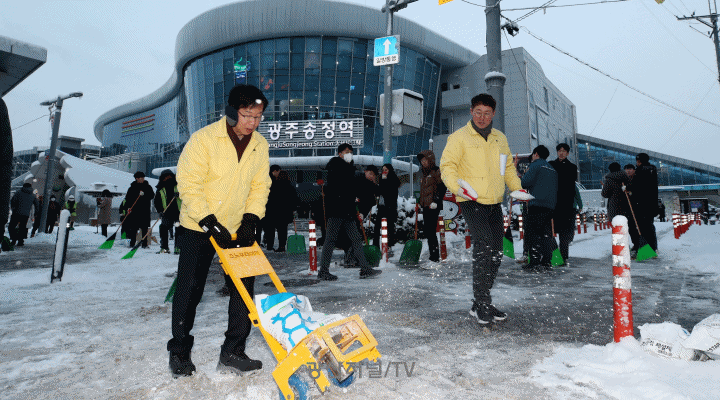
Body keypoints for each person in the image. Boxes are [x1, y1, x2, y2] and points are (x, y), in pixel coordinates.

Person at [167, 84, 272, 378]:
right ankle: (179, 351)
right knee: (189, 289)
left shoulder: (259, 145)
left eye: (258, 116)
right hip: (198, 226)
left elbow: (260, 186)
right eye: (247, 115)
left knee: (243, 290)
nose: (252, 122)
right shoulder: (204, 139)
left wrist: (252, 217)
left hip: (237, 229)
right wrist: (209, 221)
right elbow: (189, 184)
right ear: (231, 112)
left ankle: (233, 351)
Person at [440, 93, 527, 325]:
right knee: (484, 245)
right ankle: (483, 301)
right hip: (470, 199)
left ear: (493, 114)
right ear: (471, 112)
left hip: (494, 201)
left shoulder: (500, 138)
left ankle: (480, 301)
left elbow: (508, 168)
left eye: (487, 113)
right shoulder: (458, 138)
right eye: (478, 112)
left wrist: (517, 188)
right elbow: (447, 166)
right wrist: (457, 186)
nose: (482, 117)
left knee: (497, 251)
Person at [317, 143, 382, 281]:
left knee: (356, 239)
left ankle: (365, 269)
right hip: (337, 210)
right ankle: (323, 271)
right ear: (340, 153)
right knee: (330, 240)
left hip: (348, 211)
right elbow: (340, 187)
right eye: (346, 151)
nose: (349, 154)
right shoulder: (336, 167)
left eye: (351, 152)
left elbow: (353, 186)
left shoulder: (349, 168)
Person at [521, 145, 558, 271]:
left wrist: (525, 174)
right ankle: (546, 261)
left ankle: (534, 262)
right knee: (546, 234)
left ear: (536, 154)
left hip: (536, 204)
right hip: (549, 206)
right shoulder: (552, 169)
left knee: (533, 234)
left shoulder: (535, 165)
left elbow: (525, 183)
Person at [548, 143, 578, 265]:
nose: (561, 153)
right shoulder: (551, 164)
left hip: (566, 204)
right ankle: (554, 255)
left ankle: (564, 257)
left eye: (564, 151)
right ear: (557, 152)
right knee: (550, 230)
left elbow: (570, 184)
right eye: (559, 150)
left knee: (564, 233)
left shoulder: (572, 167)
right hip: (553, 204)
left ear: (568, 153)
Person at [417, 150, 446, 263]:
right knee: (428, 231)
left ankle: (434, 257)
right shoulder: (424, 173)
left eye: (425, 160)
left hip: (434, 205)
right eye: (421, 160)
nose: (423, 162)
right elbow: (424, 191)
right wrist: (419, 202)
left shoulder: (436, 171)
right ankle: (432, 255)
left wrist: (436, 201)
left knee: (431, 231)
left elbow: (442, 187)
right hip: (426, 205)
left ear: (430, 159)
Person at [632, 152, 659, 253]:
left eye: (637, 161)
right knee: (649, 226)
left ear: (639, 161)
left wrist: (629, 188)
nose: (636, 163)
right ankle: (653, 247)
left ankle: (646, 250)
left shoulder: (641, 170)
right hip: (651, 203)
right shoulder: (652, 169)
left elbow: (637, 187)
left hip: (642, 204)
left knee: (643, 227)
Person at [265, 170, 297, 252]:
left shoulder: (273, 186)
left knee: (270, 229)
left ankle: (269, 245)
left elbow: (268, 198)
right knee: (282, 230)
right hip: (285, 212)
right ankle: (282, 246)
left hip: (273, 211)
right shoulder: (290, 187)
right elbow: (294, 200)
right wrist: (293, 209)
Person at [124, 171, 154, 248]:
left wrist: (144, 194)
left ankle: (144, 244)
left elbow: (152, 195)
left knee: (144, 228)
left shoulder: (148, 187)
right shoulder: (132, 188)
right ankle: (132, 243)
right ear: (136, 178)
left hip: (145, 211)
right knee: (134, 228)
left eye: (143, 177)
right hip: (135, 211)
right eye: (141, 178)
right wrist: (128, 207)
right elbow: (128, 199)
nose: (142, 179)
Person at [374, 164, 400, 250]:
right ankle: (375, 245)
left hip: (390, 207)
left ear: (390, 170)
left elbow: (389, 193)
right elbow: (379, 191)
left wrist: (384, 182)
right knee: (377, 226)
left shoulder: (393, 179)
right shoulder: (382, 179)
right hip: (382, 206)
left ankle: (390, 245)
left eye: (386, 170)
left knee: (389, 226)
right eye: (383, 170)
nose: (384, 171)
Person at [154, 170, 181, 254]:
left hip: (178, 212)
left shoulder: (178, 186)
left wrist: (179, 194)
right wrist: (160, 211)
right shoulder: (160, 188)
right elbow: (157, 201)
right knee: (163, 228)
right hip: (166, 213)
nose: (168, 178)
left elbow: (185, 195)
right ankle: (164, 248)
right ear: (162, 178)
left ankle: (178, 248)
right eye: (166, 176)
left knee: (179, 229)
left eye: (169, 176)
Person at [259, 165, 281, 249]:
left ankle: (261, 243)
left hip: (263, 207)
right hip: (270, 208)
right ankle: (269, 245)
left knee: (262, 228)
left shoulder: (263, 179)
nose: (278, 174)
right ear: (274, 171)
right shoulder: (273, 181)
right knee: (270, 228)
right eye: (278, 172)